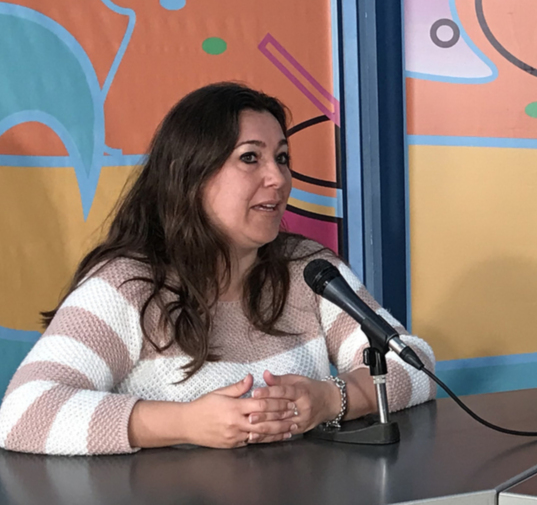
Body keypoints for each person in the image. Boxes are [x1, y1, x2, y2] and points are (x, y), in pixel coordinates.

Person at [0, 82, 436, 455]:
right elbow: (22, 413)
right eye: (251, 158)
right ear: (190, 174)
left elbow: (416, 365)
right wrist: (185, 423)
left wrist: (331, 399)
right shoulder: (128, 285)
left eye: (282, 157)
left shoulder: (307, 269)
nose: (278, 178)